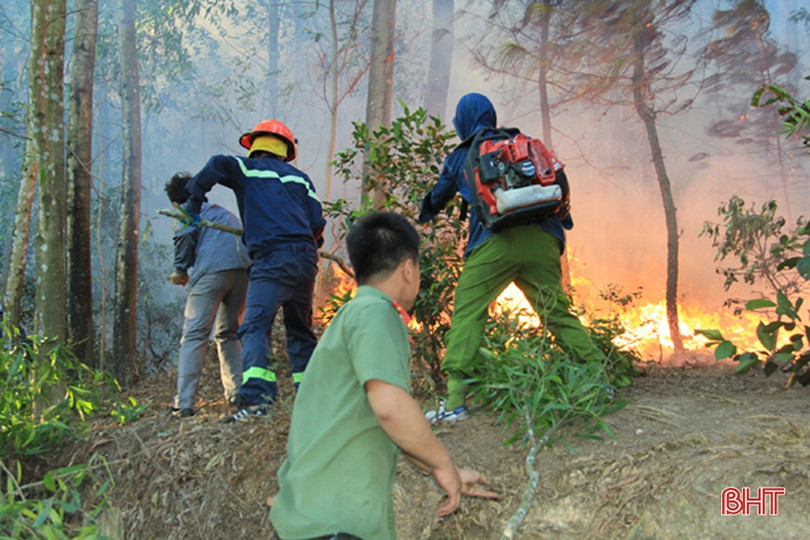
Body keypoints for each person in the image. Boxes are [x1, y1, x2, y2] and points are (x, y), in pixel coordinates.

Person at [269, 211, 498, 540]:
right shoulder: (378, 314)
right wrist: (444, 463)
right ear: (408, 268)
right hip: (334, 526)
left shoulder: (353, 314)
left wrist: (442, 470)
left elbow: (390, 425)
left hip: (308, 520)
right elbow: (390, 408)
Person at [419, 92, 605, 422]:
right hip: (544, 239)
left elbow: (438, 196)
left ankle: (457, 402)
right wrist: (561, 225)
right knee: (555, 312)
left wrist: (425, 211)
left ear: (464, 121)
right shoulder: (523, 143)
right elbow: (557, 184)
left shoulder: (463, 155)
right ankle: (599, 379)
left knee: (468, 314)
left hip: (494, 244)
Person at [185, 119, 326, 422]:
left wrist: (194, 203)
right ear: (285, 150)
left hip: (271, 259)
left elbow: (215, 164)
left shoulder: (245, 169)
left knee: (253, 327)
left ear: (255, 145)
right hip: (305, 260)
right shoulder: (302, 179)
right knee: (300, 330)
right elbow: (317, 223)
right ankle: (313, 400)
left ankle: (258, 401)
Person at [165, 172, 250, 418]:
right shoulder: (219, 211)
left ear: (173, 202)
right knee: (229, 332)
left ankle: (184, 403)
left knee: (194, 335)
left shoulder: (183, 210)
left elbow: (183, 238)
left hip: (211, 273)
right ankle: (237, 393)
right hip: (242, 270)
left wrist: (180, 271)